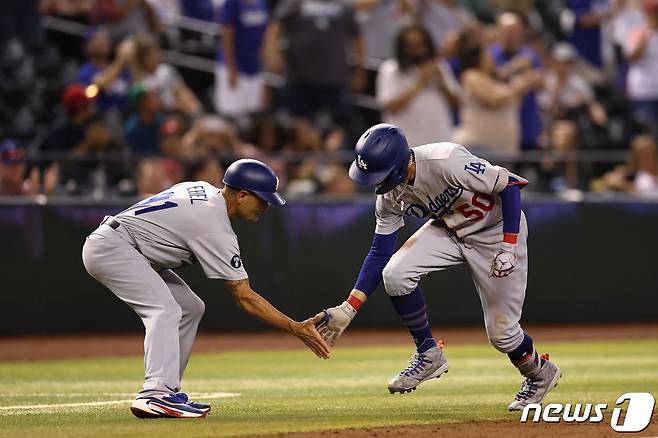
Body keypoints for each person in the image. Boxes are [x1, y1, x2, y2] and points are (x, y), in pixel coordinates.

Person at [316, 123, 561, 411]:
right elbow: (379, 250)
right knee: (395, 275)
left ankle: (540, 373)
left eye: (377, 174)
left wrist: (509, 244)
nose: (373, 182)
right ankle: (428, 354)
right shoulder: (390, 195)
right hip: (449, 229)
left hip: (495, 231)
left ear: (397, 166)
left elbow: (509, 185)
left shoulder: (445, 160)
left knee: (503, 334)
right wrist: (349, 307)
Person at [82, 159, 330, 419]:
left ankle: (167, 389)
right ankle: (154, 395)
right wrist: (295, 327)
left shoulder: (202, 188)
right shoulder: (215, 227)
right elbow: (244, 296)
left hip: (123, 245)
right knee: (164, 309)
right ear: (242, 196)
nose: (266, 207)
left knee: (190, 307)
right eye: (262, 200)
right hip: (114, 248)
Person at [376, 25, 459, 148]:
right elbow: (390, 107)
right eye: (411, 46)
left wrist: (441, 83)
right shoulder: (391, 69)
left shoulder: (440, 67)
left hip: (440, 142)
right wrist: (420, 83)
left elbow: (456, 103)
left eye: (421, 44)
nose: (417, 50)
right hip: (407, 144)